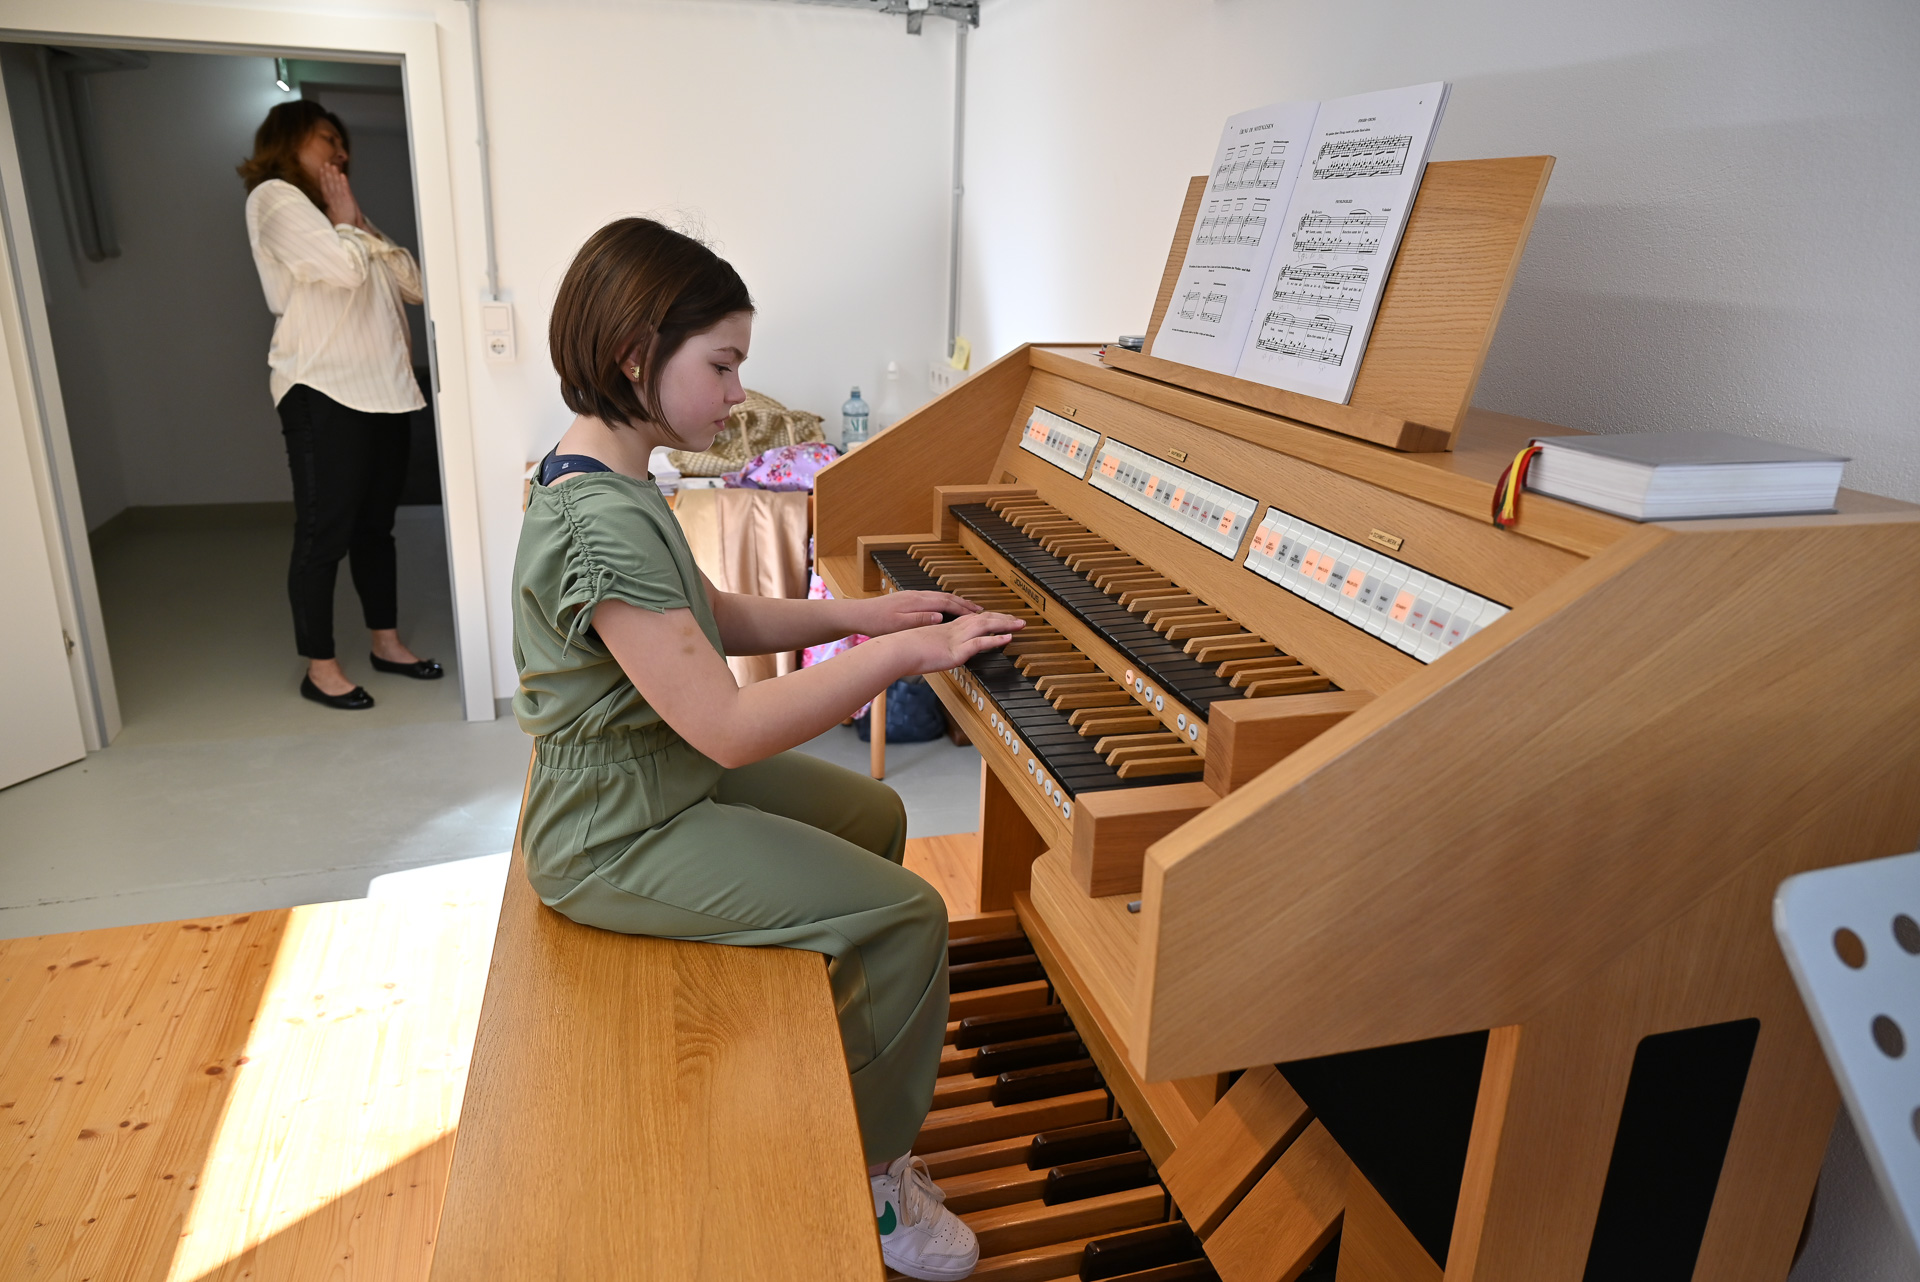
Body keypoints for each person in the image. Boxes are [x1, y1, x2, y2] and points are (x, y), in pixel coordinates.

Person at [512, 218, 1022, 1281]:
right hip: (613, 829)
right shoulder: (601, 519)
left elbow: (714, 616)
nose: (739, 393)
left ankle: (836, 1060)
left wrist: (865, 617)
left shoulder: (607, 471)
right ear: (635, 355)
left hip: (660, 774)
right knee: (910, 913)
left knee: (878, 815)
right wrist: (906, 654)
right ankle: (872, 1176)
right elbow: (730, 726)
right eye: (722, 364)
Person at [239, 99, 442, 710]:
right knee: (323, 533)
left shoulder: (341, 216)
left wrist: (355, 224)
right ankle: (320, 668)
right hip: (322, 389)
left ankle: (387, 644)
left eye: (341, 141)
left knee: (375, 530)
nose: (341, 151)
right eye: (328, 138)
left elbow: (414, 285)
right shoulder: (275, 199)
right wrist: (350, 225)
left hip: (385, 390)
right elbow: (344, 270)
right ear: (291, 139)